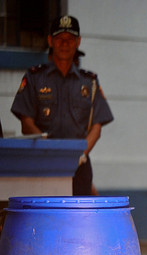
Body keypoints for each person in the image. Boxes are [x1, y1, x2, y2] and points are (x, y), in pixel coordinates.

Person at [10, 15, 113, 196]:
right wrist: (51, 154)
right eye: (59, 39)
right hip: (42, 165)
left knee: (78, 221)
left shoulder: (90, 82)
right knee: (45, 220)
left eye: (70, 39)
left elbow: (96, 127)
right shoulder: (35, 78)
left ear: (78, 42)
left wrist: (79, 155)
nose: (65, 44)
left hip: (79, 167)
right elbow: (26, 123)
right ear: (50, 41)